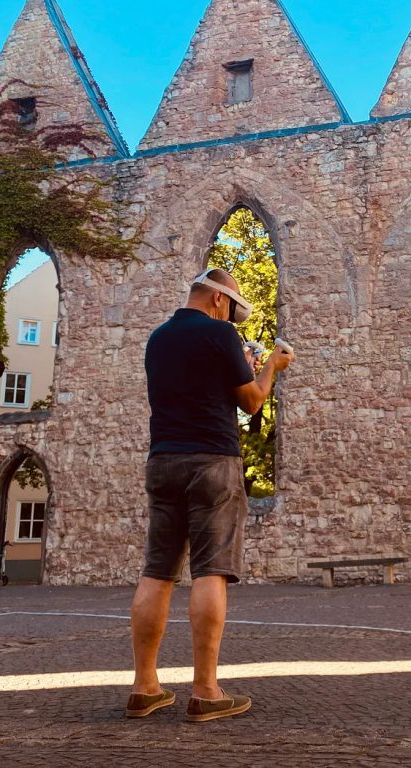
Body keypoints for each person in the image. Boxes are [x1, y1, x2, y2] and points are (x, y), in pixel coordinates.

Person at [126, 268, 294, 722]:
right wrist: (270, 365)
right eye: (233, 312)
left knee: (157, 571)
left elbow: (186, 387)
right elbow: (252, 400)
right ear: (220, 301)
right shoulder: (220, 335)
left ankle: (144, 687)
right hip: (212, 462)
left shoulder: (158, 338)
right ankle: (205, 690)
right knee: (211, 571)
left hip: (162, 460)